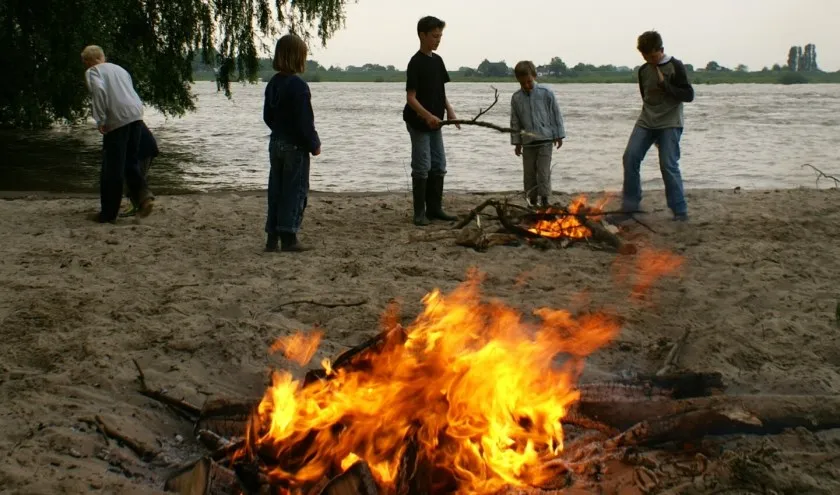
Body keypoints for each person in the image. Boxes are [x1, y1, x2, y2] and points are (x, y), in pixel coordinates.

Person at [616, 30, 694, 223]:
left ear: (661, 50)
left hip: (670, 122)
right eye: (645, 56)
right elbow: (646, 97)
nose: (650, 60)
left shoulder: (675, 66)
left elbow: (688, 95)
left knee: (668, 164)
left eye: (652, 56)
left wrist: (666, 85)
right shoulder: (643, 71)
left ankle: (680, 211)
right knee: (630, 157)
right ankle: (630, 207)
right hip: (647, 120)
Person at [81, 45, 154, 223]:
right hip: (136, 114)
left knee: (112, 167)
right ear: (102, 56)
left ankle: (108, 214)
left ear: (89, 61)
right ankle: (144, 196)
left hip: (117, 118)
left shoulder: (93, 72)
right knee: (130, 160)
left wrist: (100, 119)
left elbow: (99, 92)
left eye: (85, 63)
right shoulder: (120, 69)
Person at [262, 33, 321, 252]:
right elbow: (304, 121)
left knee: (276, 189)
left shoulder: (273, 84)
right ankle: (289, 236)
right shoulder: (299, 86)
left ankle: (272, 236)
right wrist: (314, 143)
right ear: (298, 58)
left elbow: (267, 115)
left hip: (276, 142)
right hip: (295, 146)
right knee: (295, 191)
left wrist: (278, 130)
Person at [403, 15, 459, 226]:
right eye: (435, 36)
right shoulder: (415, 62)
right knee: (422, 165)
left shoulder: (438, 61)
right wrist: (427, 116)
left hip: (437, 122)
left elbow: (440, 92)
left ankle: (435, 209)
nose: (438, 40)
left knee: (439, 164)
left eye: (440, 36)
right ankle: (420, 213)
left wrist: (450, 112)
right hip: (419, 123)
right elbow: (411, 98)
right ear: (422, 35)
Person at [509, 60, 566, 208]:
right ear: (518, 81)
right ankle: (531, 201)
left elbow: (556, 115)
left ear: (534, 76)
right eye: (523, 84)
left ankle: (545, 200)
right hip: (528, 142)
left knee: (543, 172)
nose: (527, 86)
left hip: (546, 139)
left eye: (529, 82)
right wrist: (516, 142)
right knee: (528, 174)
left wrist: (559, 134)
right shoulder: (516, 98)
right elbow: (515, 121)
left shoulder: (546, 93)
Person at [120, 121, 159, 217]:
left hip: (142, 150)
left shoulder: (121, 119)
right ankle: (138, 206)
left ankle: (143, 204)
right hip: (147, 147)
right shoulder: (130, 115)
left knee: (132, 177)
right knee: (134, 176)